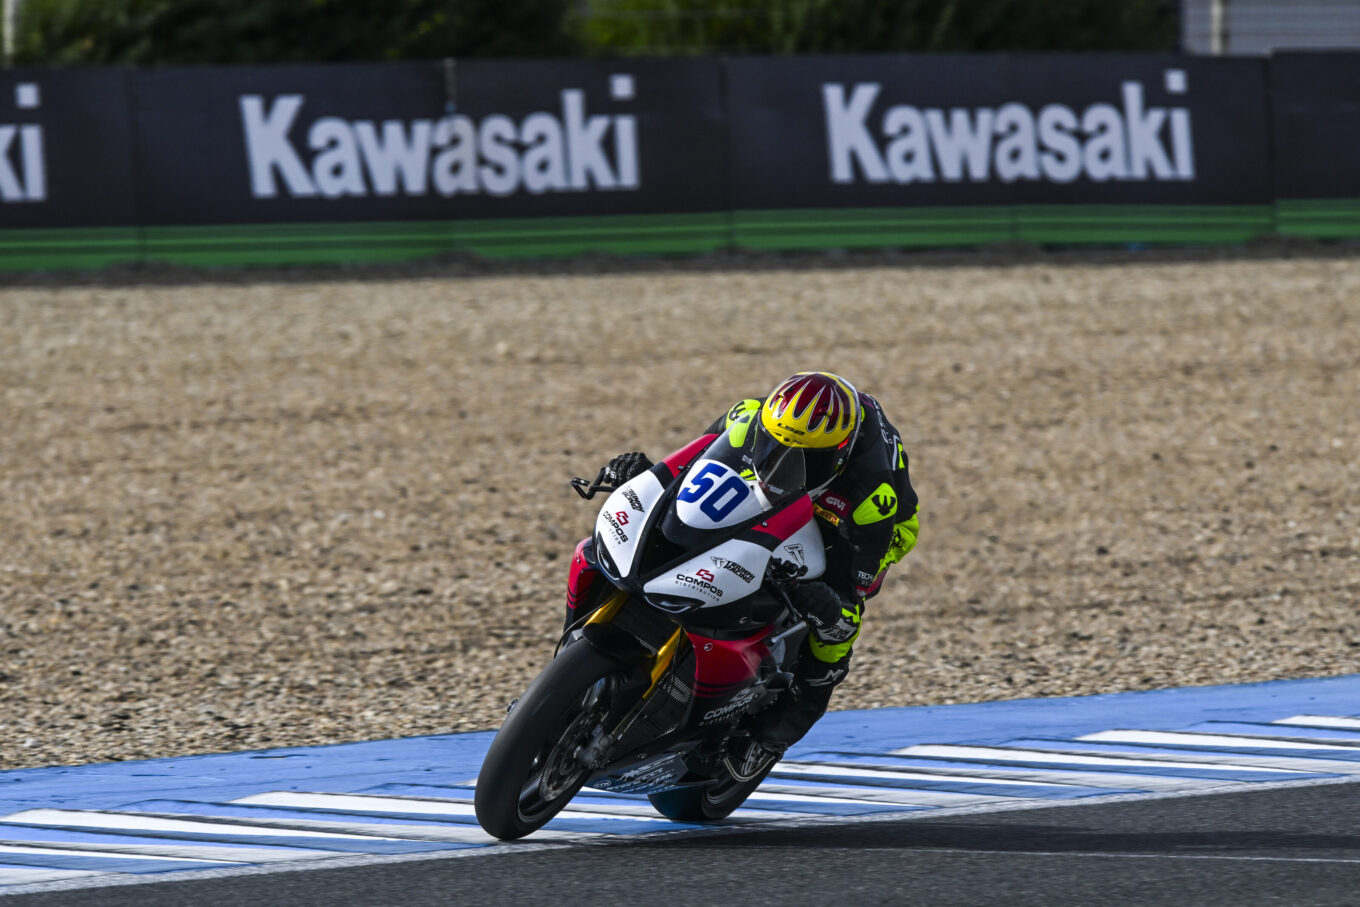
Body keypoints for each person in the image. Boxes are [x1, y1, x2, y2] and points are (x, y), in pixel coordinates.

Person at [600, 371, 918, 764]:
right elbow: (693, 465)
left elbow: (853, 591)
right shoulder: (749, 415)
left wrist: (831, 603)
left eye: (807, 460)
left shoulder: (872, 498)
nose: (781, 465)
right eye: (773, 447)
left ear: (838, 455)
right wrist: (647, 478)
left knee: (835, 629)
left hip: (862, 525)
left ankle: (792, 717)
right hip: (809, 471)